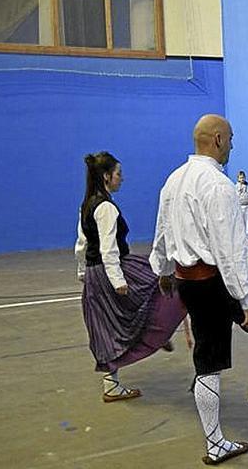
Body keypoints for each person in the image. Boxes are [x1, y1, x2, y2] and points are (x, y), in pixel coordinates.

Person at [150, 115, 248, 464]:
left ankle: (215, 444)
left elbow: (161, 231)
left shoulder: (173, 181)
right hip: (218, 282)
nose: (233, 144)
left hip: (189, 284)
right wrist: (246, 301)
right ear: (217, 139)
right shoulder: (218, 186)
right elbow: (231, 250)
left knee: (208, 363)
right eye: (231, 138)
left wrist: (163, 270)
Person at [75, 151, 186, 403]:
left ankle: (111, 384)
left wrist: (83, 274)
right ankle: (158, 333)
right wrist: (118, 281)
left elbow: (81, 245)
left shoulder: (87, 204)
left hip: (95, 273)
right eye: (118, 174)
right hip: (111, 270)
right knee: (160, 284)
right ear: (106, 176)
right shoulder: (106, 208)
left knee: (107, 327)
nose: (121, 179)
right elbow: (108, 248)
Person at [236, 171, 248, 238]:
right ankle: (241, 236)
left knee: (247, 221)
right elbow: (236, 196)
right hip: (240, 206)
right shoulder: (236, 186)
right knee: (240, 221)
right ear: (238, 178)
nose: (242, 179)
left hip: (247, 205)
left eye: (243, 177)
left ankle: (247, 235)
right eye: (240, 178)